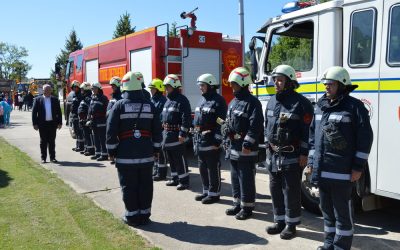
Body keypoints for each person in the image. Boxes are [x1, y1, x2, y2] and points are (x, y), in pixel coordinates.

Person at [307, 66, 373, 250]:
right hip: (322, 171)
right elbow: (313, 137)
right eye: (326, 84)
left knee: (342, 212)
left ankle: (342, 246)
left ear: (343, 85)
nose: (327, 87)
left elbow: (365, 138)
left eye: (331, 84)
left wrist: (358, 167)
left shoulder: (354, 107)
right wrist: (311, 162)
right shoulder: (320, 107)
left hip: (342, 172)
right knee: (326, 211)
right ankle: (329, 243)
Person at [106, 71, 162, 227]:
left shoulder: (118, 105)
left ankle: (132, 216)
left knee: (129, 186)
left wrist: (112, 151)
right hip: (146, 154)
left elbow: (111, 131)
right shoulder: (150, 105)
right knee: (146, 185)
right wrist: (156, 149)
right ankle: (145, 215)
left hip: (125, 154)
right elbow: (157, 131)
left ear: (125, 86)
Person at [264, 65, 314, 239]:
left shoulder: (302, 103)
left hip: (292, 156)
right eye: (275, 79)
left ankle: (291, 225)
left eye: (280, 79)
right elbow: (266, 127)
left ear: (290, 82)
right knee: (274, 188)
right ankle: (279, 221)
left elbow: (308, 131)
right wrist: (267, 148)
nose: (276, 83)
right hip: (273, 155)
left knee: (290, 190)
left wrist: (304, 154)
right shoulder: (271, 101)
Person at [223, 67, 263, 220]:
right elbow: (228, 122)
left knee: (245, 178)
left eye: (234, 84)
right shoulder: (233, 102)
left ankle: (247, 207)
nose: (232, 87)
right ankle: (237, 203)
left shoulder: (253, 103)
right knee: (234, 177)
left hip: (246, 148)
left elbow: (256, 125)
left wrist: (247, 143)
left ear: (243, 83)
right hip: (233, 146)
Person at [193, 73, 227, 204]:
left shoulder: (218, 101)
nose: (200, 88)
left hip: (211, 140)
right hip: (200, 139)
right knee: (202, 167)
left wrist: (218, 139)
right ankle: (206, 191)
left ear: (210, 86)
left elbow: (221, 121)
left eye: (202, 85)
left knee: (212, 167)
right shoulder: (202, 100)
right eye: (200, 85)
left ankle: (214, 194)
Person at [161, 74, 192, 190]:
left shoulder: (182, 100)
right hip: (167, 135)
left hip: (176, 135)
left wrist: (182, 133)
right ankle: (175, 178)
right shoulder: (168, 100)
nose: (166, 89)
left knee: (180, 159)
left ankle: (184, 181)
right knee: (171, 159)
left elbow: (186, 118)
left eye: (167, 86)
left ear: (174, 86)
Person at [31, 84, 62, 163]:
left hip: (52, 124)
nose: (48, 91)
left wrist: (60, 123)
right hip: (42, 124)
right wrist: (35, 124)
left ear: (51, 90)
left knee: (52, 141)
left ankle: (53, 158)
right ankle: (43, 158)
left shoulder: (55, 100)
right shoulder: (38, 100)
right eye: (46, 90)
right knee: (43, 142)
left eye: (49, 90)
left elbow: (59, 112)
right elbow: (34, 113)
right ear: (43, 91)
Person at [148, 78, 168, 181]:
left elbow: (162, 117)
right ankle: (156, 170)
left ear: (159, 89)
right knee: (154, 152)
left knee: (161, 153)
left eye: (153, 89)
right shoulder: (152, 100)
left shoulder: (163, 101)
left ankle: (162, 173)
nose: (151, 91)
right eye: (150, 89)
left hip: (159, 130)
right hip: (152, 130)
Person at [87, 82, 109, 161]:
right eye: (92, 89)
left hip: (101, 121)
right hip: (94, 121)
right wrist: (89, 117)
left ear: (99, 89)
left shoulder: (103, 98)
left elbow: (106, 110)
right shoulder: (93, 97)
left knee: (102, 138)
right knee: (95, 138)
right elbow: (90, 109)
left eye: (95, 88)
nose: (93, 90)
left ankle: (104, 155)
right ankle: (98, 153)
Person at [78, 82, 95, 156]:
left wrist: (87, 119)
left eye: (82, 90)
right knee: (85, 135)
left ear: (85, 90)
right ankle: (86, 148)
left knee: (88, 135)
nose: (81, 91)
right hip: (83, 119)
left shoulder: (88, 98)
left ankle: (90, 149)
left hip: (86, 119)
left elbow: (90, 109)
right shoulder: (84, 98)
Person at [68, 81, 84, 152]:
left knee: (80, 132)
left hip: (78, 116)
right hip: (74, 116)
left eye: (75, 87)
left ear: (78, 87)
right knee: (76, 132)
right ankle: (77, 146)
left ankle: (81, 147)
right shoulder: (74, 95)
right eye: (73, 87)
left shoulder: (80, 95)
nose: (74, 89)